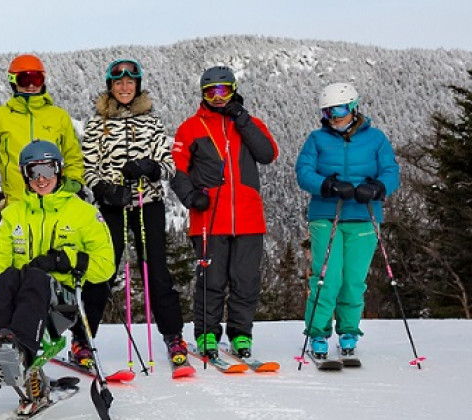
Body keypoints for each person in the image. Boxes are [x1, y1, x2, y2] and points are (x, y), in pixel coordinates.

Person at [0, 141, 113, 414]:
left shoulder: (83, 213)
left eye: (47, 170)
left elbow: (105, 266)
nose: (41, 179)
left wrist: (64, 259)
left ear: (59, 170)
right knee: (9, 275)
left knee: (35, 277)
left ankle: (22, 349)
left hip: (62, 303)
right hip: (22, 299)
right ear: (25, 175)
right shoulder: (14, 214)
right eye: (34, 172)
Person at [79, 59, 189, 367]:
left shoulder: (151, 122)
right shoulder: (97, 123)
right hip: (112, 206)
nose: (124, 88)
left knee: (156, 271)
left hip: (147, 205)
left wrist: (152, 168)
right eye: (118, 83)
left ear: (137, 86)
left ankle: (173, 334)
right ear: (110, 87)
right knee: (103, 270)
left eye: (130, 83)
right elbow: (88, 169)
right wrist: (105, 190)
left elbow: (169, 166)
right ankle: (83, 338)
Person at [169, 66, 278, 359]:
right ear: (202, 95)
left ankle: (241, 335)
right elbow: (176, 169)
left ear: (233, 89)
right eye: (210, 92)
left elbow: (268, 154)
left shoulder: (249, 122)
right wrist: (191, 197)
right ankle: (207, 333)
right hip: (209, 219)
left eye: (223, 91)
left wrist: (242, 120)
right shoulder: (191, 127)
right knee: (211, 280)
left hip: (248, 217)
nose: (217, 98)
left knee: (245, 281)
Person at [294, 82, 399, 360]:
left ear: (354, 107)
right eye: (328, 111)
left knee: (353, 280)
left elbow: (391, 171)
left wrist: (377, 188)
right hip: (326, 215)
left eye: (339, 109)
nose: (335, 116)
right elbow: (303, 171)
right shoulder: (317, 139)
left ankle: (349, 331)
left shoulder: (375, 139)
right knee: (327, 278)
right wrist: (327, 185)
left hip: (364, 216)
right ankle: (318, 333)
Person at [0, 54, 84, 205]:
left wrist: (71, 185)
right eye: (24, 79)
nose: (31, 85)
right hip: (15, 205)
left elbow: (73, 156)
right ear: (13, 81)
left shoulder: (58, 116)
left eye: (36, 79)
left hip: (54, 203)